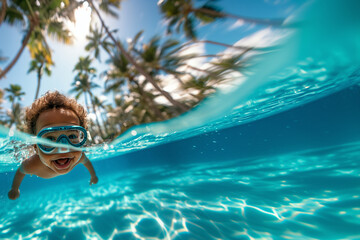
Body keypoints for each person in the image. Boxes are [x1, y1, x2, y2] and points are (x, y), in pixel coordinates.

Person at [8, 91, 98, 200]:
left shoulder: (79, 155)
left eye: (72, 136)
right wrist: (15, 188)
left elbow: (87, 163)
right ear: (36, 147)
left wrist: (93, 175)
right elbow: (20, 172)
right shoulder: (32, 164)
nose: (63, 149)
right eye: (50, 139)